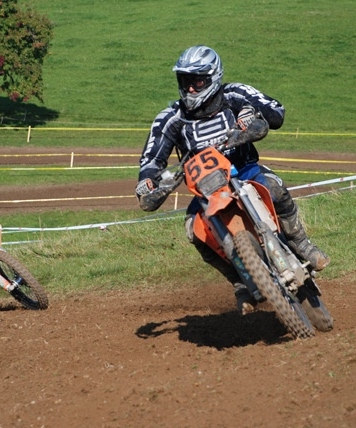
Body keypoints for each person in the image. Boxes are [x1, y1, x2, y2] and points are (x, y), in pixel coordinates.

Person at [135, 45, 329, 315]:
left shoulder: (234, 94)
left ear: (213, 77)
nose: (190, 88)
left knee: (275, 187)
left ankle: (301, 243)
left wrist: (251, 115)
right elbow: (151, 160)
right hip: (206, 191)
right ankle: (238, 280)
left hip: (245, 171)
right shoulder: (170, 118)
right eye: (185, 80)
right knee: (194, 230)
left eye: (197, 81)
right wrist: (147, 181)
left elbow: (276, 111)